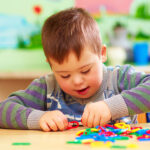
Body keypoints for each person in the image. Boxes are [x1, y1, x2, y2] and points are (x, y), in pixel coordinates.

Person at [0, 8, 150, 132]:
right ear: (51, 65)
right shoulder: (46, 87)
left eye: (85, 71)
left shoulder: (119, 78)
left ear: (102, 54)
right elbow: (3, 110)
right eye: (64, 75)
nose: (77, 81)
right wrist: (37, 118)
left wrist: (111, 107)